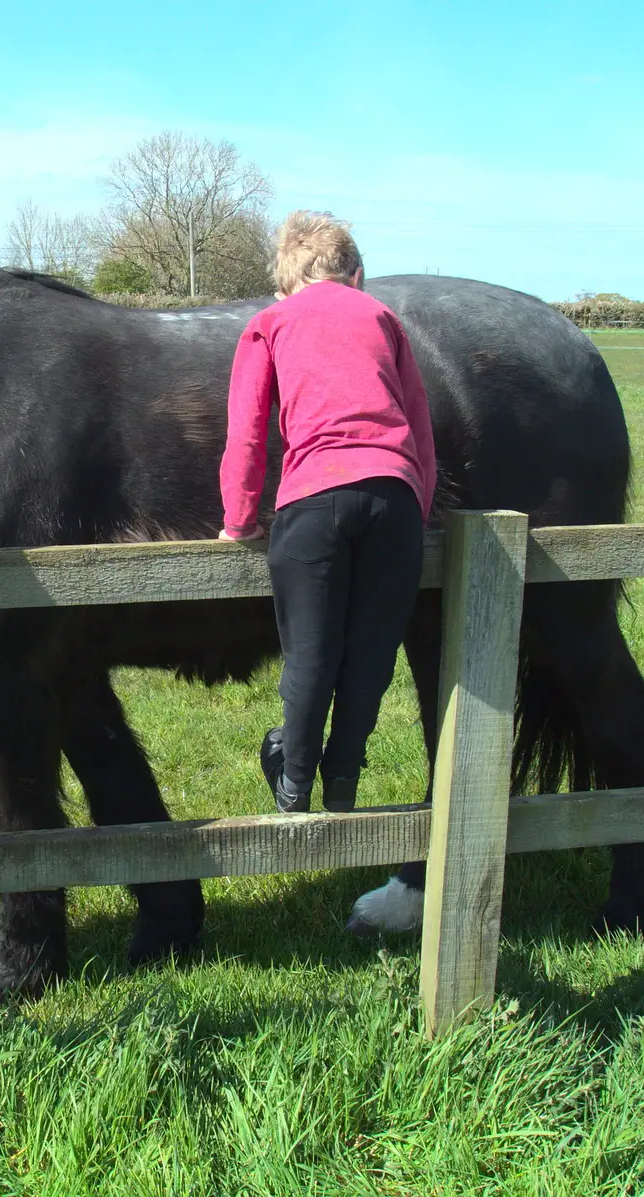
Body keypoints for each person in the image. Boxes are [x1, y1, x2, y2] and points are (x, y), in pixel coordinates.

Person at [219, 211, 436, 815]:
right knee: (371, 652)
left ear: (286, 281)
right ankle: (343, 778)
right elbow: (418, 421)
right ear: (357, 275)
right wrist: (415, 505)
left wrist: (239, 518)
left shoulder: (269, 323)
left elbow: (246, 432)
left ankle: (293, 785)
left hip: (313, 498)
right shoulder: (383, 317)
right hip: (392, 496)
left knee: (312, 652)